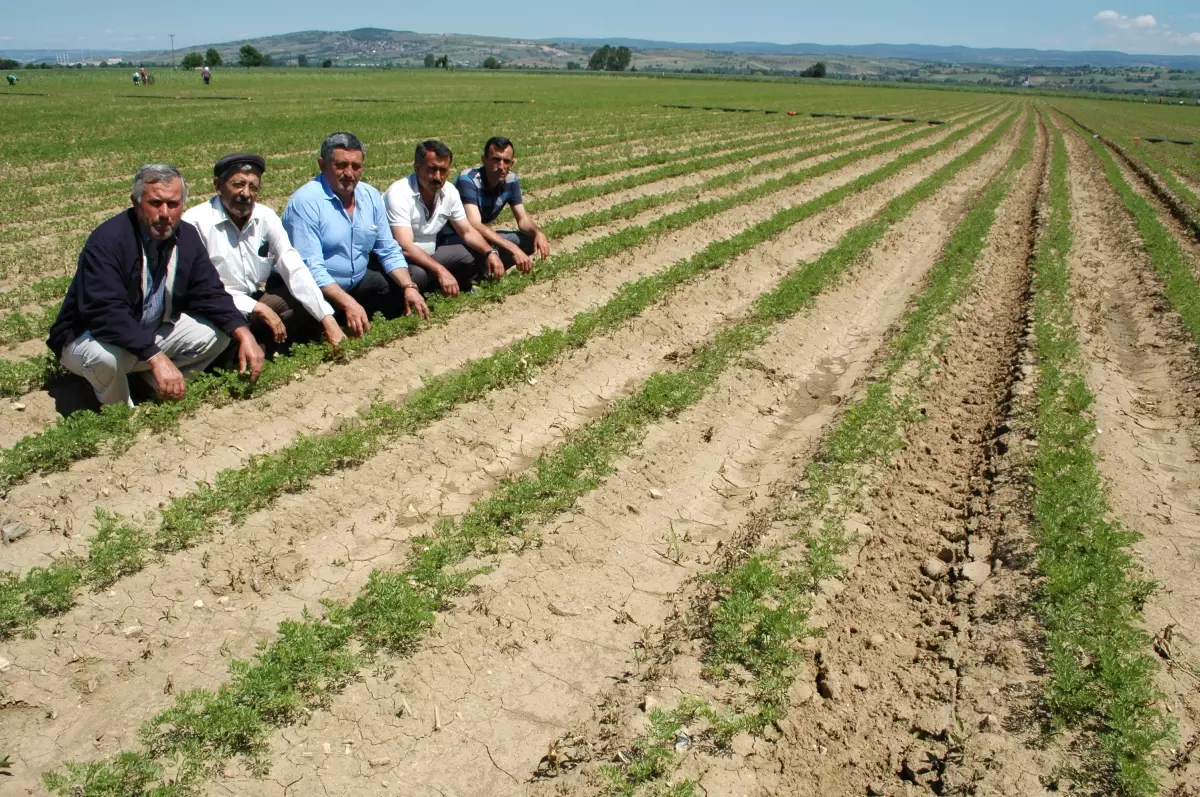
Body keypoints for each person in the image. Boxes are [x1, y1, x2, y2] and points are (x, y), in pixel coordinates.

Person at [47, 164, 263, 406]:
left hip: (146, 332)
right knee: (106, 360)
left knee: (217, 335)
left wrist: (245, 334)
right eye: (155, 203)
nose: (164, 213)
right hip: (90, 337)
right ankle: (118, 412)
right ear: (136, 202)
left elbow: (210, 292)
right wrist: (156, 356)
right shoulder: (108, 240)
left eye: (173, 204)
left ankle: (148, 385)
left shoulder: (187, 237)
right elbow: (105, 313)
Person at [183, 152, 344, 353]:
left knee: (299, 298)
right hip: (216, 308)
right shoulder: (196, 222)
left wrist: (327, 319)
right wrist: (257, 308)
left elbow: (293, 266)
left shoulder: (265, 217)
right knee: (215, 331)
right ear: (217, 185)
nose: (246, 193)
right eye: (238, 184)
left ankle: (257, 350)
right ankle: (238, 355)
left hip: (252, 301)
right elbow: (199, 290)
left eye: (253, 186)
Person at [282, 131, 424, 333]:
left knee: (405, 282)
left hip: (356, 282)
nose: (349, 173)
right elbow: (311, 269)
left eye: (356, 167)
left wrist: (409, 287)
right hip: (317, 290)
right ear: (322, 165)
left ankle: (360, 323)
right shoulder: (306, 202)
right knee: (293, 317)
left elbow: (387, 248)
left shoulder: (370, 195)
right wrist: (348, 302)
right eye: (341, 165)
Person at [383, 140, 505, 302]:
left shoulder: (449, 192)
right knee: (418, 275)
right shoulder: (398, 194)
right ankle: (411, 298)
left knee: (471, 255)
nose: (438, 177)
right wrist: (441, 271)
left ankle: (444, 287)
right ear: (417, 167)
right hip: (400, 260)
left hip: (431, 253)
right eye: (432, 169)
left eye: (443, 170)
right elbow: (405, 247)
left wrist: (491, 252)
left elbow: (467, 231)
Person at [455, 136, 550, 274]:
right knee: (471, 253)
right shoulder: (469, 179)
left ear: (512, 163)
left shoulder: (511, 180)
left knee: (530, 239)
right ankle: (474, 275)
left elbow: (523, 220)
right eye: (496, 159)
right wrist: (512, 248)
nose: (501, 166)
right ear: (484, 160)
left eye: (506, 161)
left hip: (479, 236)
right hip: (458, 236)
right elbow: (474, 224)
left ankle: (487, 273)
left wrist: (538, 232)